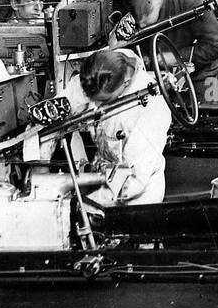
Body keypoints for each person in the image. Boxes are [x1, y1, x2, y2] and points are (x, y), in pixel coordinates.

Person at [60, 47, 171, 207]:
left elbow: (134, 180)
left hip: (134, 195)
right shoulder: (103, 67)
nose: (96, 105)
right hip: (102, 174)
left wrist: (88, 204)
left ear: (125, 82)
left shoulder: (151, 110)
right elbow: (69, 100)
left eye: (104, 100)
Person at [120, 0, 218, 84]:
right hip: (166, 77)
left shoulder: (194, 4)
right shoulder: (137, 11)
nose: (142, 26)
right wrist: (145, 55)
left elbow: (217, 46)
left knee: (207, 99)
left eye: (146, 22)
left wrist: (176, 57)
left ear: (154, 5)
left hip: (203, 76)